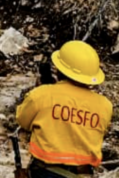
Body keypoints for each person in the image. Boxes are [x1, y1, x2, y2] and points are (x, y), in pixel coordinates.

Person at [16, 40, 112, 177]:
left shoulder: (42, 95)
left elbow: (22, 120)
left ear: (60, 69)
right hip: (84, 174)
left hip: (46, 172)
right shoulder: (105, 105)